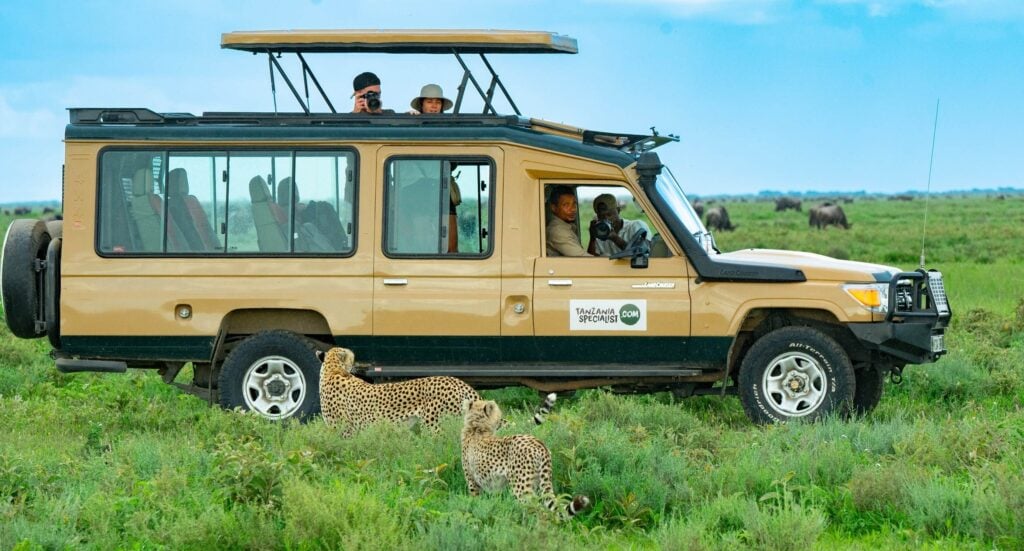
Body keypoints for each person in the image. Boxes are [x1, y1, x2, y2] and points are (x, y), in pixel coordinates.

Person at [545, 186, 591, 257]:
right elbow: (584, 259)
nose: (573, 209)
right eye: (566, 205)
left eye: (574, 204)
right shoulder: (558, 231)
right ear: (554, 208)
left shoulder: (566, 226)